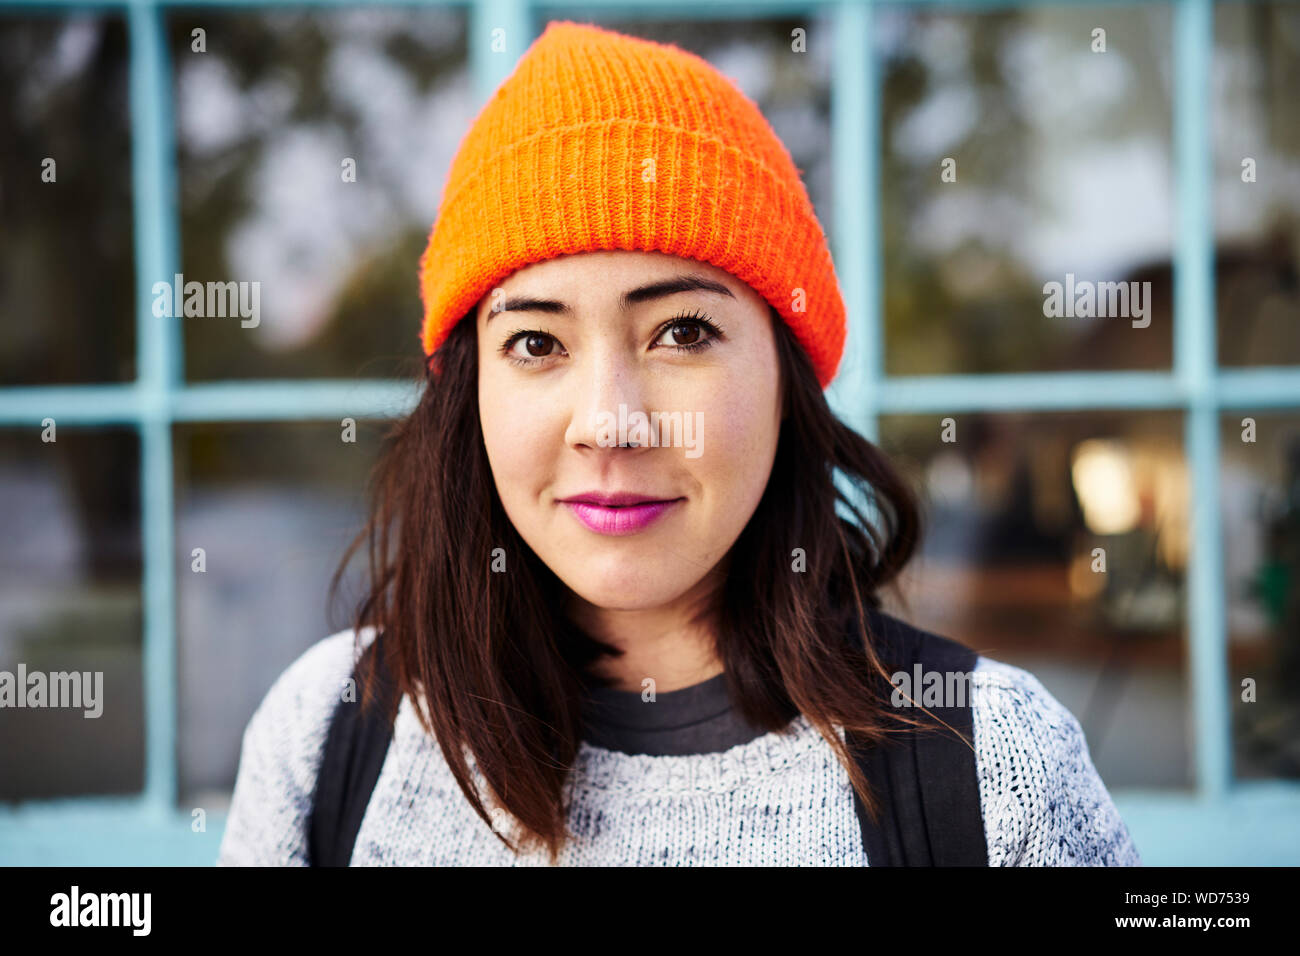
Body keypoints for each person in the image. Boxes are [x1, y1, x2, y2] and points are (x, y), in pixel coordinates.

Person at [216, 20, 1141, 867]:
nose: (611, 423)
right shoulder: (329, 734)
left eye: (684, 333)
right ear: (471, 395)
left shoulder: (991, 765)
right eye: (536, 343)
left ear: (786, 373)